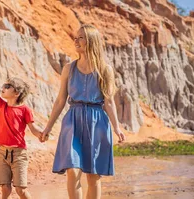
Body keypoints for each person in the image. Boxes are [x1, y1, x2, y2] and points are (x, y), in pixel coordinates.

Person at [40, 24, 126, 199]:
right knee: (72, 169)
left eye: (81, 37)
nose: (76, 40)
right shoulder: (68, 69)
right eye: (76, 37)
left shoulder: (105, 70)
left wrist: (117, 128)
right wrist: (48, 127)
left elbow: (109, 101)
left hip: (98, 122)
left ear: (91, 41)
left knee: (94, 176)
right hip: (73, 121)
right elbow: (60, 100)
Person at [0, 57, 43, 199]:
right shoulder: (2, 105)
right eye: (4, 85)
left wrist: (42, 134)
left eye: (7, 87)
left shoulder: (25, 110)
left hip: (19, 154)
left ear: (16, 93)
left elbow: (33, 129)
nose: (3, 88)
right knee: (5, 188)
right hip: (2, 152)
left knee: (20, 189)